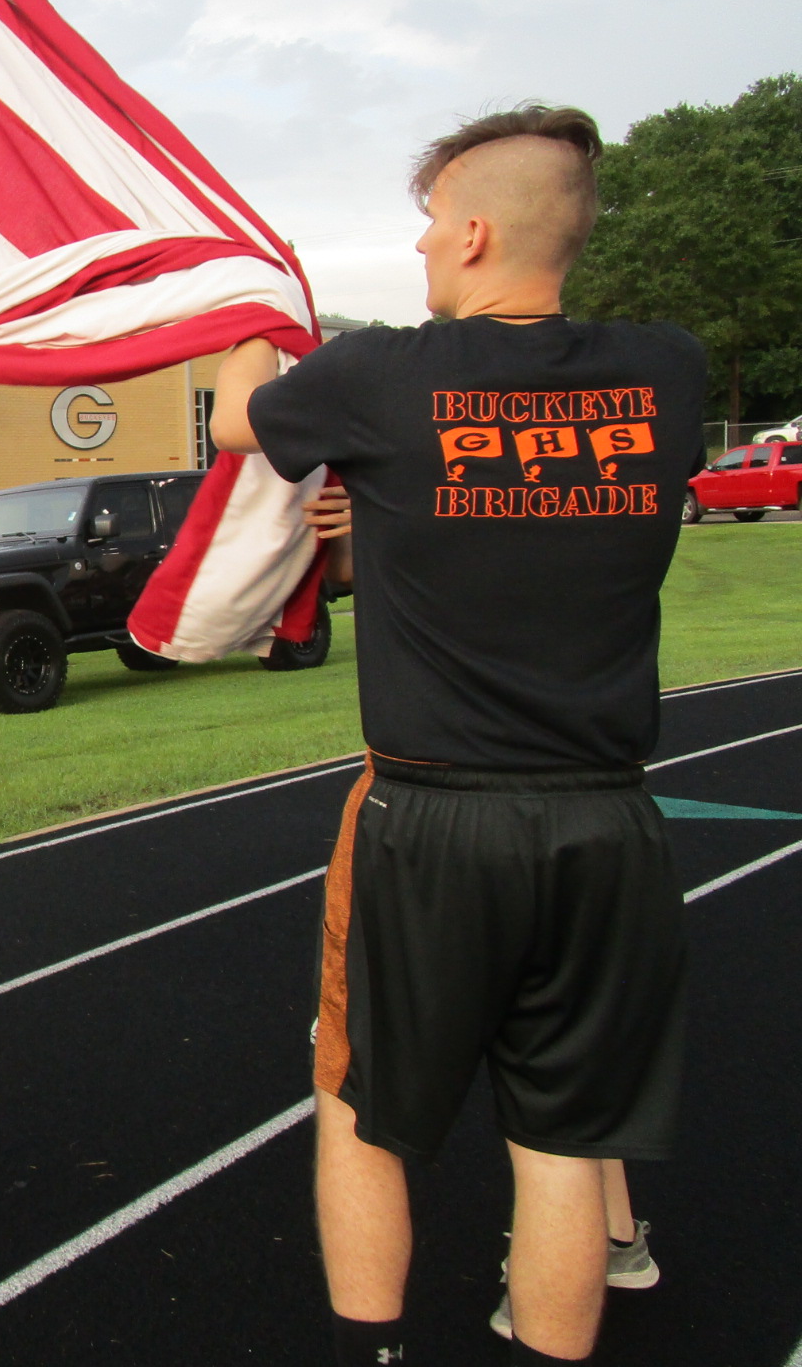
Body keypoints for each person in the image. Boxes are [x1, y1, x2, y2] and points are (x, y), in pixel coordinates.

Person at [210, 104, 704, 1367]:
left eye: (431, 221)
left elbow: (235, 423)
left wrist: (239, 316)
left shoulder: (382, 375)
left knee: (359, 1111)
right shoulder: (668, 372)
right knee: (561, 1147)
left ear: (475, 232)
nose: (422, 245)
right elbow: (514, 505)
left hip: (429, 821)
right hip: (606, 820)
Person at [307, 489, 664, 1344]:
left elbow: (236, 426)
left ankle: (376, 1347)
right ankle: (616, 1239)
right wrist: (370, 535)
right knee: (565, 1113)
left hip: (439, 801)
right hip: (596, 802)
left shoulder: (401, 423)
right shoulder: (649, 415)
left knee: (357, 1097)